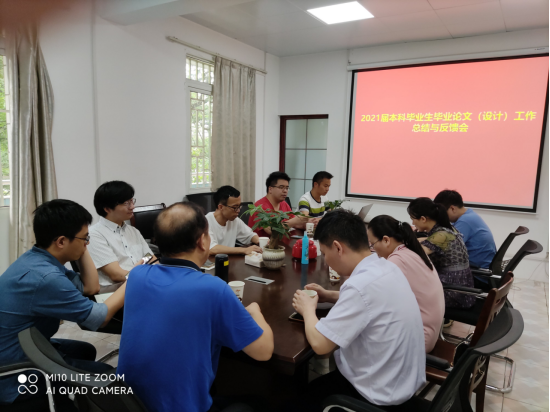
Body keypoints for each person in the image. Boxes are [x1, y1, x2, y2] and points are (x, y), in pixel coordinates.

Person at [117, 202, 274, 412]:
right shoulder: (213, 288)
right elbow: (264, 351)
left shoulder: (137, 276)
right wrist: (255, 311)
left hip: (129, 403)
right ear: (202, 241)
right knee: (259, 403)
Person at [289, 210, 425, 412]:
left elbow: (320, 345)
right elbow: (371, 303)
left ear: (338, 247)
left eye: (325, 253)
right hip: (400, 384)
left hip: (375, 396)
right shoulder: (386, 267)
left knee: (292, 403)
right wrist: (330, 295)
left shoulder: (360, 285)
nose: (326, 260)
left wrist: (307, 310)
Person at [0, 200, 126, 407]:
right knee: (106, 378)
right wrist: (132, 280)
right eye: (85, 238)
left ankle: (73, 400)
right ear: (61, 241)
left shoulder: (38, 259)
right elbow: (99, 318)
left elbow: (90, 287)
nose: (87, 243)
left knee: (84, 350)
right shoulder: (45, 277)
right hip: (14, 371)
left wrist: (81, 244)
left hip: (28, 345)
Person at [367, 215, 445, 353]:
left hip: (419, 338)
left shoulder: (397, 261)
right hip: (429, 331)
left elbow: (370, 297)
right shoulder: (411, 250)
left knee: (361, 331)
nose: (373, 249)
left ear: (386, 240)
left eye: (372, 245)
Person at [88, 181, 156, 293]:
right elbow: (116, 275)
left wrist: (155, 276)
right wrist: (147, 279)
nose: (132, 206)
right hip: (115, 291)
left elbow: (151, 258)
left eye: (132, 201)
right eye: (126, 203)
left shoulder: (133, 231)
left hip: (141, 284)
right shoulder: (94, 234)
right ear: (107, 208)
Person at [408, 197, 475, 309]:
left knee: (408, 291)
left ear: (423, 219)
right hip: (461, 288)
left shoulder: (441, 235)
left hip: (452, 292)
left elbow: (416, 254)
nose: (413, 223)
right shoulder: (446, 229)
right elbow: (428, 240)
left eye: (413, 219)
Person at [434, 189, 497, 269]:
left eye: (443, 213)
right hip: (481, 265)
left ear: (452, 208)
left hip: (477, 270)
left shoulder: (465, 221)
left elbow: (447, 246)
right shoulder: (469, 215)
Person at [248, 172, 308, 238]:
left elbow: (295, 223)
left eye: (287, 188)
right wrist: (294, 221)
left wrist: (306, 222)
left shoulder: (284, 203)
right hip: (261, 243)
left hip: (281, 241)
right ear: (270, 189)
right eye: (281, 187)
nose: (285, 191)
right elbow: (271, 230)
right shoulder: (259, 207)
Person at [206, 185, 262, 256]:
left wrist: (260, 241)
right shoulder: (205, 222)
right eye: (235, 207)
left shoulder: (234, 220)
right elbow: (212, 248)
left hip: (229, 260)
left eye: (239, 206)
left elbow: (250, 235)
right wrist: (244, 250)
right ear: (221, 207)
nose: (238, 211)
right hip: (211, 262)